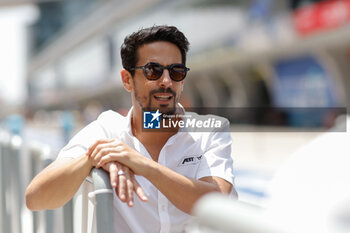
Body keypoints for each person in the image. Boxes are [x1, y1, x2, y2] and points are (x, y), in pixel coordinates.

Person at [25, 25, 237, 232]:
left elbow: (215, 201)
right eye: (153, 71)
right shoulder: (107, 131)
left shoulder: (210, 131)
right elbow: (36, 198)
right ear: (127, 80)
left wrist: (141, 164)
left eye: (176, 72)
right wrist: (93, 158)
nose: (166, 81)